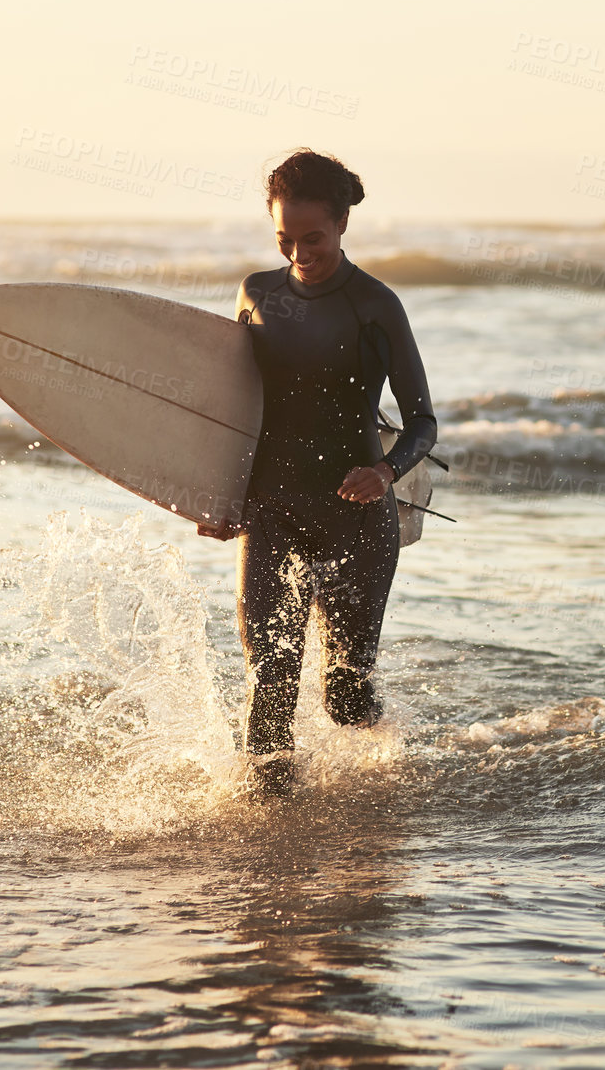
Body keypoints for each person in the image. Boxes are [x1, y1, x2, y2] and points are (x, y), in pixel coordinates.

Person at [199, 149, 436, 796]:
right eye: (284, 238)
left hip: (355, 521)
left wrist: (385, 473)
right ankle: (269, 824)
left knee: (343, 694)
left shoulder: (374, 306)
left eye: (313, 239)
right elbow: (231, 411)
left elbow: (423, 422)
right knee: (269, 681)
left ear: (341, 225)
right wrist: (214, 497)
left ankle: (393, 769)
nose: (298, 253)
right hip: (273, 510)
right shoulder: (256, 294)